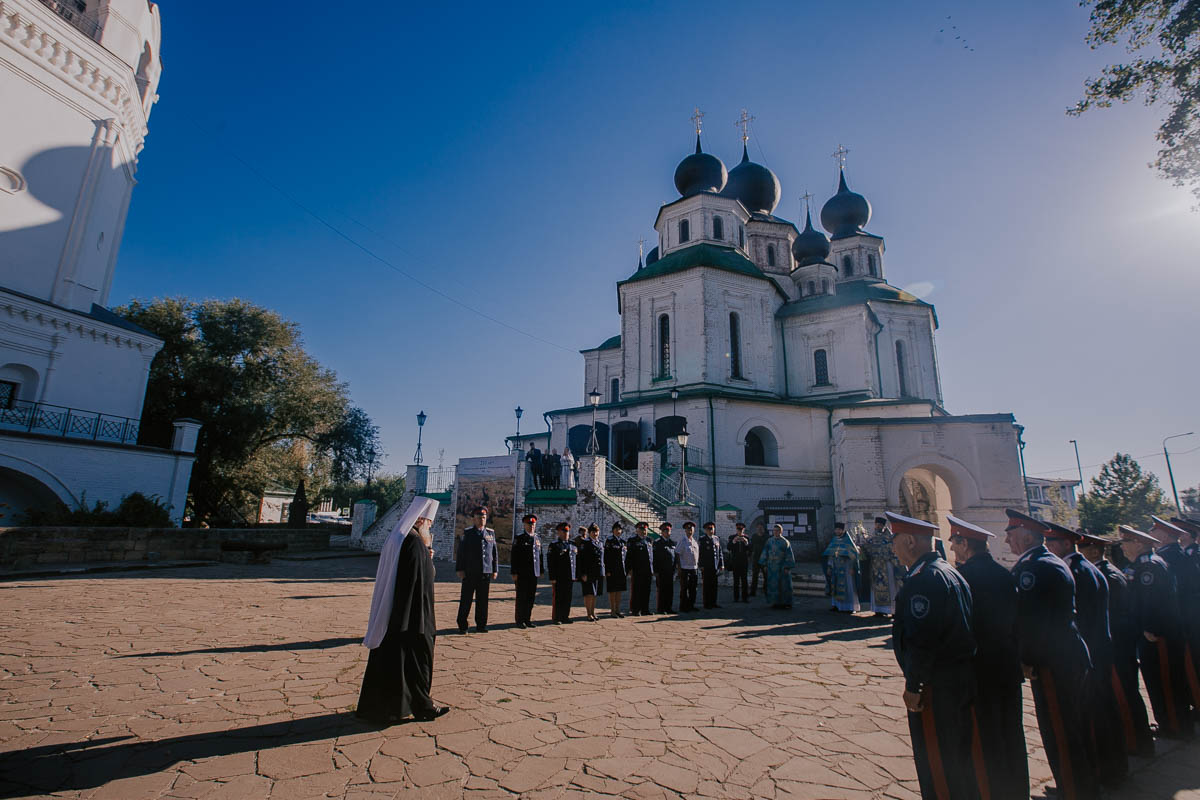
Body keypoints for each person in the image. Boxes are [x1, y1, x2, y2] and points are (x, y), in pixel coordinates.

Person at [1005, 508, 1099, 800]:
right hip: (1065, 655)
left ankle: (1074, 791)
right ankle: (1081, 785)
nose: (1007, 540)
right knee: (1071, 725)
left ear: (1025, 535)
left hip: (1052, 661)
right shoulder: (1047, 562)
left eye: (1011, 534)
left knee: (1060, 728)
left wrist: (1028, 659)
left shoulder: (1034, 568)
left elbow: (1033, 621)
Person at [888, 511, 979, 800]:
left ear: (911, 541)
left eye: (896, 540)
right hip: (958, 680)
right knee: (958, 758)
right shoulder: (949, 572)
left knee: (938, 763)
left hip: (936, 687)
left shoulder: (924, 581)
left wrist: (915, 685)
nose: (893, 547)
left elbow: (922, 639)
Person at [946, 514, 1027, 800]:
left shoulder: (961, 579)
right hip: (1007, 668)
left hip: (979, 673)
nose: (953, 548)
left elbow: (958, 630)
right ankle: (1018, 792)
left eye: (955, 542)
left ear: (964, 543)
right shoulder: (1007, 575)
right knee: (1011, 734)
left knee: (985, 740)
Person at [1044, 521, 1126, 788]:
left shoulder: (1074, 572)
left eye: (1052, 543)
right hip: (1098, 651)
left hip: (1086, 655)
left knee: (1088, 718)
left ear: (1067, 544)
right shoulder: (1086, 568)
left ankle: (1095, 775)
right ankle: (1113, 770)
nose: (1048, 548)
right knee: (1103, 713)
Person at [358, 497, 449, 724]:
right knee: (417, 660)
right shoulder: (414, 543)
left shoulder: (398, 538)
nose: (430, 526)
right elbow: (423, 579)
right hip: (414, 614)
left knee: (393, 660)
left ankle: (385, 707)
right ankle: (423, 707)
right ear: (419, 520)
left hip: (395, 612)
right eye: (429, 521)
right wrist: (427, 550)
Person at [1080, 530, 1155, 758]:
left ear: (1094, 551)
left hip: (1116, 645)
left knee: (1124, 694)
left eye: (1081, 549)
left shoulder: (1106, 576)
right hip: (1118, 644)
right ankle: (1137, 741)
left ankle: (1136, 742)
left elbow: (1113, 615)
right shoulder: (1107, 572)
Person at [1120, 523, 1193, 739]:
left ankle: (1175, 726)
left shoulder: (1149, 568)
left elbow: (1152, 603)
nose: (1122, 547)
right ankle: (1171, 722)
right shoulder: (1146, 564)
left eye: (1125, 542)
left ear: (1139, 544)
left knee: (1165, 681)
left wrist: (1149, 629)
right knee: (1158, 680)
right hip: (1156, 633)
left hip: (1158, 636)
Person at [1150, 515, 1200, 714]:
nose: (1151, 533)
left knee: (1190, 664)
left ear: (1164, 534)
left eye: (1154, 530)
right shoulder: (1175, 554)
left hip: (1185, 619)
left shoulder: (1172, 556)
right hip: (1185, 617)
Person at [455, 506, 497, 634]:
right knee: (466, 600)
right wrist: (460, 569)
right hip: (470, 572)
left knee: (483, 600)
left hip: (485, 572)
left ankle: (481, 625)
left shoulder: (490, 533)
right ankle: (463, 625)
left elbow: (494, 553)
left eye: (483, 517)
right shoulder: (468, 533)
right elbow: (461, 553)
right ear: (474, 519)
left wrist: (495, 569)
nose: (481, 520)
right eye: (479, 517)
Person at [864, 516, 902, 616]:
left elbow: (893, 550)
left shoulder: (890, 537)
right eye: (876, 524)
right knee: (876, 587)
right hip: (876, 566)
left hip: (887, 565)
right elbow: (868, 549)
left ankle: (893, 610)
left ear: (883, 526)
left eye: (880, 524)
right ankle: (879, 610)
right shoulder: (872, 537)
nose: (878, 526)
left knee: (891, 587)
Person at [511, 513, 543, 629]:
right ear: (524, 525)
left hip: (534, 572)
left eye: (533, 524)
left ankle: (527, 619)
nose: (531, 526)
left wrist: (541, 569)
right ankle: (520, 620)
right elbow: (514, 556)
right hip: (522, 573)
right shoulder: (519, 538)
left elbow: (540, 555)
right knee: (521, 597)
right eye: (529, 524)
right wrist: (514, 572)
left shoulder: (537, 538)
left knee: (530, 597)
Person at [823, 522, 862, 613]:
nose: (837, 531)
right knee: (835, 585)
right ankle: (836, 605)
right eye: (836, 529)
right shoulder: (834, 540)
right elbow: (830, 555)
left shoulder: (848, 541)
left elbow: (854, 555)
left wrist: (852, 567)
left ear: (843, 530)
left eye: (839, 529)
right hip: (835, 567)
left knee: (848, 586)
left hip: (846, 568)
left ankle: (850, 607)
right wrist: (829, 566)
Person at [547, 522, 577, 624]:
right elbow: (551, 562)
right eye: (563, 531)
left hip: (570, 576)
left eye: (567, 531)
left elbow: (576, 561)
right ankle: (557, 617)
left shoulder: (572, 545)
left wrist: (576, 574)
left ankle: (565, 616)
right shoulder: (555, 545)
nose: (565, 533)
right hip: (559, 576)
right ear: (558, 532)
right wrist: (552, 577)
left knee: (567, 597)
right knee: (558, 597)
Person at [759, 524, 795, 609]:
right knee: (773, 585)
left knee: (784, 585)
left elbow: (789, 555)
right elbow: (765, 552)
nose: (775, 532)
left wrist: (787, 566)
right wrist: (764, 564)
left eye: (777, 530)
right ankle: (774, 602)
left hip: (781, 567)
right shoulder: (769, 541)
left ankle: (785, 602)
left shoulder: (785, 542)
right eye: (774, 530)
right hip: (772, 567)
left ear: (781, 531)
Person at [626, 521, 654, 615]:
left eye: (645, 529)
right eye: (641, 529)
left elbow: (651, 556)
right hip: (637, 569)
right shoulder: (632, 540)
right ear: (637, 530)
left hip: (648, 570)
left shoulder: (649, 540)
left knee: (647, 590)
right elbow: (629, 555)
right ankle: (635, 609)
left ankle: (645, 609)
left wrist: (652, 568)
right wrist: (629, 569)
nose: (643, 531)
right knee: (637, 590)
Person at [577, 523, 603, 622]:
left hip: (597, 572)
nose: (595, 534)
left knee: (595, 594)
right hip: (588, 573)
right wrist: (582, 574)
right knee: (589, 594)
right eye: (593, 532)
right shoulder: (585, 543)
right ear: (589, 533)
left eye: (597, 531)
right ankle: (588, 614)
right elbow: (581, 560)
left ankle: (593, 612)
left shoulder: (600, 543)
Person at [697, 522, 725, 609]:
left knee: (714, 585)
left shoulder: (716, 538)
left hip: (715, 565)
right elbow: (700, 553)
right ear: (705, 530)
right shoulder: (702, 539)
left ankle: (713, 602)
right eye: (709, 529)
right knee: (707, 585)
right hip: (706, 566)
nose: (711, 530)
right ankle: (707, 603)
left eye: (712, 528)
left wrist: (721, 564)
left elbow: (719, 552)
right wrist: (701, 565)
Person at [604, 521, 628, 618]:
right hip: (612, 570)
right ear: (613, 530)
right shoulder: (609, 541)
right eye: (616, 529)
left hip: (621, 570)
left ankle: (618, 609)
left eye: (619, 529)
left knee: (619, 590)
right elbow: (606, 556)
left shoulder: (623, 542)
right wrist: (607, 570)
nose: (618, 531)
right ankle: (612, 610)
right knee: (612, 591)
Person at [676, 521, 701, 612]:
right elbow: (677, 553)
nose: (690, 531)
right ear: (685, 530)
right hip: (685, 568)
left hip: (694, 568)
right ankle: (683, 606)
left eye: (691, 529)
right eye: (688, 529)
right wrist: (679, 568)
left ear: (694, 530)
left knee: (693, 588)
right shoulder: (682, 541)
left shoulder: (694, 541)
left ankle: (691, 605)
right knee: (684, 589)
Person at [653, 522, 677, 613]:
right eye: (665, 531)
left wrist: (674, 569)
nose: (667, 532)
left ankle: (668, 607)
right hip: (661, 571)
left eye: (668, 530)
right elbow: (655, 558)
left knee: (669, 591)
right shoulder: (658, 543)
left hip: (670, 571)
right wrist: (656, 571)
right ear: (662, 532)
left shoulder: (672, 543)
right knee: (662, 590)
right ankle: (661, 608)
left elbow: (674, 557)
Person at [727, 522, 751, 603]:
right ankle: (736, 597)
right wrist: (734, 541)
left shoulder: (747, 537)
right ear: (736, 529)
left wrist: (746, 543)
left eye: (741, 529)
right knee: (736, 580)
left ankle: (745, 597)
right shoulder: (732, 537)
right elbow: (728, 548)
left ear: (743, 529)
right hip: (735, 561)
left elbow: (750, 550)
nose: (740, 531)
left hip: (744, 561)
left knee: (744, 580)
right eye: (738, 529)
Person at [749, 523, 769, 597]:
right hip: (756, 559)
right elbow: (751, 546)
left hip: (764, 559)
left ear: (763, 528)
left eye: (761, 528)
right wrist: (750, 555)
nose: (760, 529)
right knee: (755, 576)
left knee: (766, 576)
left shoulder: (767, 537)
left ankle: (766, 590)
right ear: (756, 528)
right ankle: (753, 592)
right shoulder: (754, 536)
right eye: (758, 528)